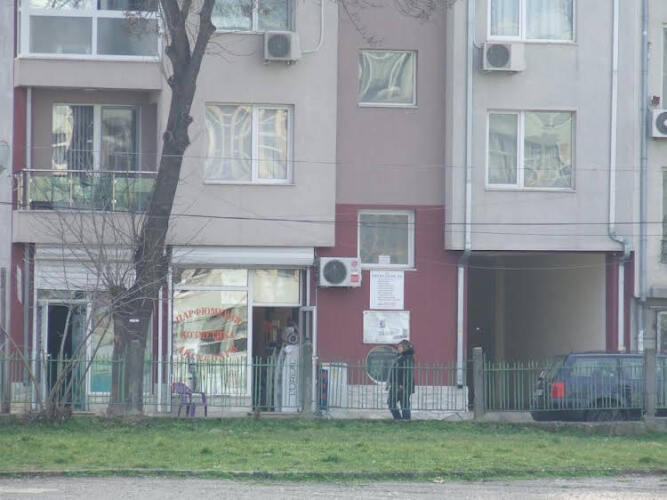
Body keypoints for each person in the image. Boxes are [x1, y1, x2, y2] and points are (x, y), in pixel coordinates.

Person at [387, 339, 415, 420]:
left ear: (405, 348)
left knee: (404, 404)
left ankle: (406, 420)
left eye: (400, 347)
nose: (398, 348)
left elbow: (407, 373)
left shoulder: (408, 358)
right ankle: (398, 419)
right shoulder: (399, 357)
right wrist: (389, 382)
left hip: (403, 385)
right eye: (398, 347)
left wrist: (402, 384)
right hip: (395, 384)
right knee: (391, 402)